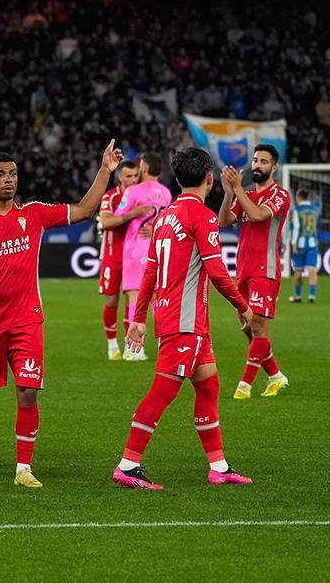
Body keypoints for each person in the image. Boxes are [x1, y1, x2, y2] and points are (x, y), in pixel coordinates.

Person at [0, 141, 121, 489]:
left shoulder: (33, 213)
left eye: (13, 173)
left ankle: (23, 468)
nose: (8, 179)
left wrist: (105, 170)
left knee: (27, 392)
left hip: (26, 322)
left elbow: (84, 210)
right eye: (0, 174)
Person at [113, 147, 254, 489]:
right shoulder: (201, 216)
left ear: (177, 181)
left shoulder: (164, 216)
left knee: (208, 386)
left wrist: (139, 317)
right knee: (163, 391)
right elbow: (217, 271)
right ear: (209, 179)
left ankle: (218, 466)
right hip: (185, 320)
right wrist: (242, 306)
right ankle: (128, 465)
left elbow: (150, 270)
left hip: (183, 319)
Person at [219, 145, 292, 399]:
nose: (257, 165)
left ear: (274, 167)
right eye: (255, 160)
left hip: (265, 269)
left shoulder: (280, 195)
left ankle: (245, 386)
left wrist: (238, 189)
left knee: (259, 326)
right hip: (243, 271)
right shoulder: (246, 194)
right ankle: (276, 376)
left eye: (263, 161)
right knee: (248, 328)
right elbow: (224, 221)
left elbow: (259, 215)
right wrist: (229, 193)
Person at [111, 153, 172, 362]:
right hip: (158, 250)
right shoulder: (166, 193)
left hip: (136, 250)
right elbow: (168, 221)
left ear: (143, 168)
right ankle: (165, 346)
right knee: (157, 299)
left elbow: (116, 217)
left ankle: (134, 350)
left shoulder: (134, 191)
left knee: (135, 298)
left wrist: (131, 213)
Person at [95, 160, 141, 361]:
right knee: (112, 301)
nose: (133, 180)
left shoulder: (141, 195)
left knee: (133, 301)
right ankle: (112, 346)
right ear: (120, 177)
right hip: (112, 255)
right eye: (129, 176)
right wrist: (132, 215)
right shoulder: (111, 196)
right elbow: (106, 221)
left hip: (134, 256)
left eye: (136, 175)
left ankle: (131, 347)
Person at [289, 188, 320, 303]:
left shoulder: (296, 211)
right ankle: (312, 296)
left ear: (298, 198)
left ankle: (298, 296)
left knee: (298, 271)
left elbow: (296, 228)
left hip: (300, 244)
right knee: (312, 270)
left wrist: (293, 244)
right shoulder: (315, 210)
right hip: (313, 243)